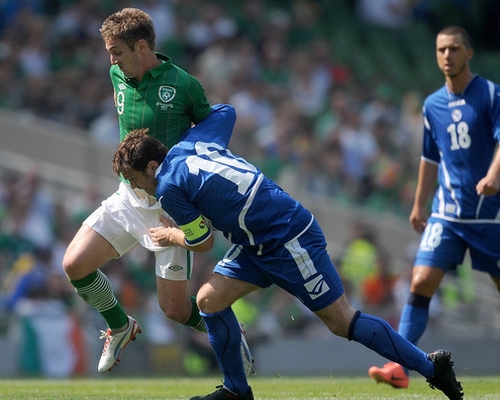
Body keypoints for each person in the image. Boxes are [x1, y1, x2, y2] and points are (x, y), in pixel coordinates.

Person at [112, 103, 464, 400]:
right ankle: (236, 390)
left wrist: (170, 235)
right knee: (208, 300)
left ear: (153, 167)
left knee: (341, 321)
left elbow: (202, 243)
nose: (134, 186)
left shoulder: (170, 186)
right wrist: (193, 107)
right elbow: (225, 112)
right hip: (255, 242)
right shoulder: (194, 140)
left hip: (288, 238)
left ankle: (432, 367)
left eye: (134, 178)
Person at [61, 7, 253, 374]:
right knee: (74, 265)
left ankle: (232, 329)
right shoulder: (117, 74)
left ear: (142, 46)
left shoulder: (183, 83)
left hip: (170, 207)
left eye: (117, 51)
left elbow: (212, 126)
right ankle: (120, 326)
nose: (112, 59)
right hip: (127, 197)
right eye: (109, 52)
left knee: (176, 311)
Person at [368, 25, 500, 389]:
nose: (447, 55)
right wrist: (418, 204)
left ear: (469, 53)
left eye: (454, 49)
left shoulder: (490, 94)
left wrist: (493, 176)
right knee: (421, 280)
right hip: (447, 213)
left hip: (490, 214)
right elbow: (430, 158)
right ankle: (399, 367)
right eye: (442, 49)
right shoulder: (432, 105)